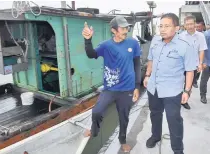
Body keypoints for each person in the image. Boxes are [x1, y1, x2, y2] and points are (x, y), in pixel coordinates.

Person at [82, 16, 141, 152]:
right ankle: (94, 130)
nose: (126, 30)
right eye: (123, 28)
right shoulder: (106, 45)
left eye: (127, 27)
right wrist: (87, 40)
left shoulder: (133, 43)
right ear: (114, 30)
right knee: (96, 111)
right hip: (110, 88)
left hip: (127, 88)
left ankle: (123, 140)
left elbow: (137, 64)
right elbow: (91, 54)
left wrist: (137, 86)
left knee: (124, 117)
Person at [143, 13, 197, 154]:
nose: (162, 29)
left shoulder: (185, 45)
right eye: (160, 26)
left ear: (177, 28)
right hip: (153, 87)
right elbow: (151, 59)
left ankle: (177, 149)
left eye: (167, 26)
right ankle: (155, 136)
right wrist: (147, 75)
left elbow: (190, 70)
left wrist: (187, 91)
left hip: (172, 90)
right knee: (155, 114)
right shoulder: (155, 40)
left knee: (174, 120)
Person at [179, 15, 208, 110]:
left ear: (195, 24)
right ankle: (178, 98)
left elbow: (202, 50)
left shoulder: (200, 36)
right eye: (187, 24)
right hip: (181, 65)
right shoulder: (180, 36)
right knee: (179, 83)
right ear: (184, 25)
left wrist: (200, 63)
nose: (190, 26)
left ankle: (185, 100)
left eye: (191, 24)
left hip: (193, 65)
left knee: (189, 85)